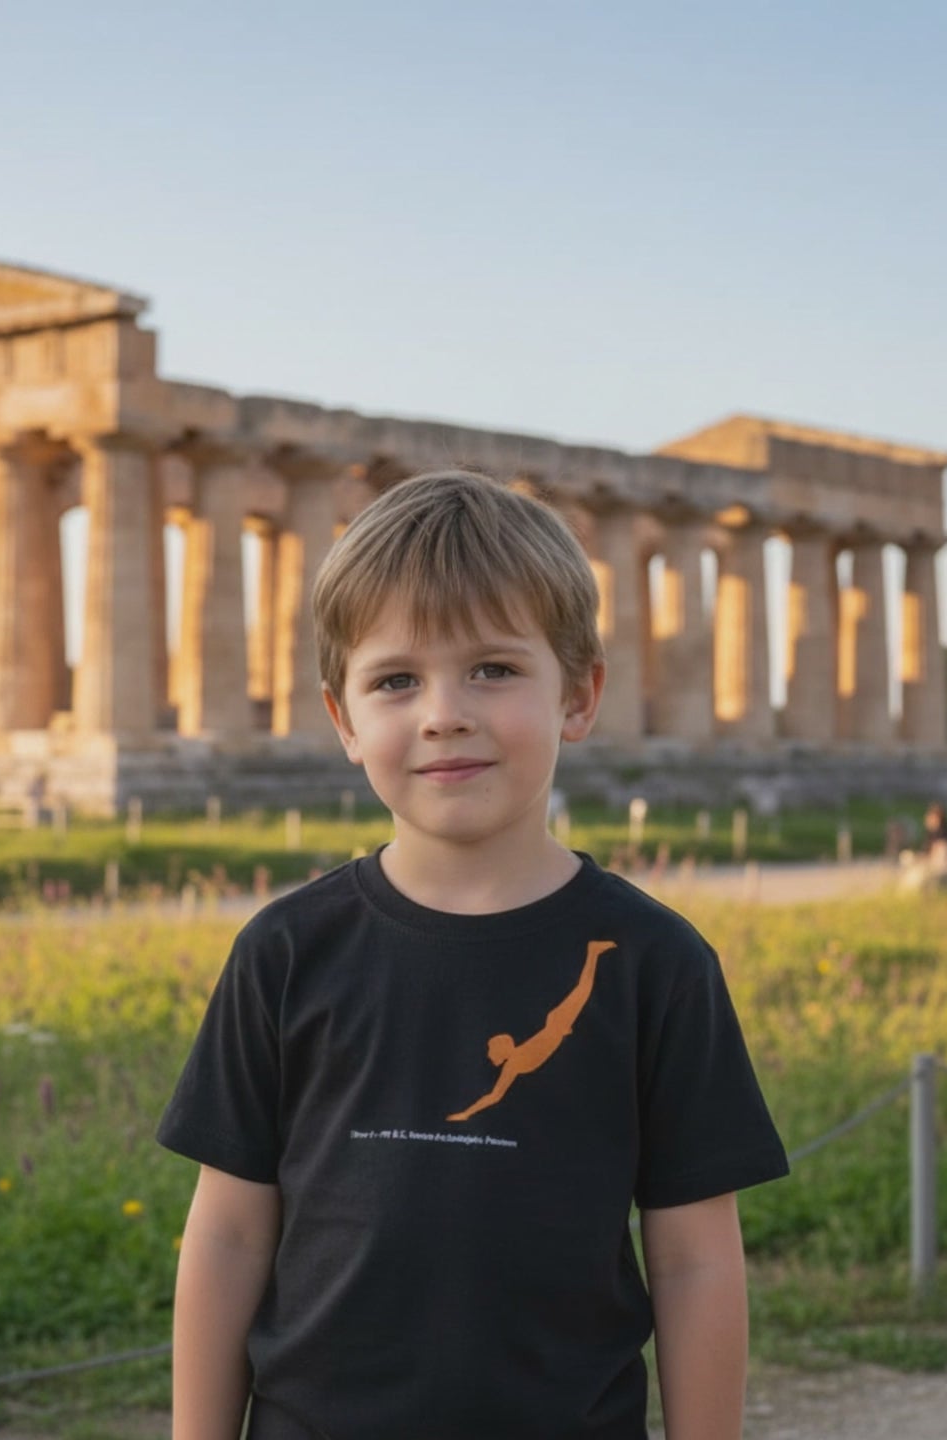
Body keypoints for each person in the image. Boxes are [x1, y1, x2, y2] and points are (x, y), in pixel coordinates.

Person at [158, 470, 789, 1440]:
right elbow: (231, 1236)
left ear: (580, 696)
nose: (443, 711)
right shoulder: (284, 953)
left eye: (493, 669)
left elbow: (696, 1259)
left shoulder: (657, 964)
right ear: (343, 722)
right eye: (396, 680)